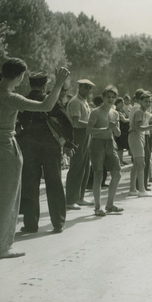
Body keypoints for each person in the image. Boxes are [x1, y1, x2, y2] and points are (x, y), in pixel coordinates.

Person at [0, 59, 69, 258]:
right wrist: (58, 83)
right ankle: (0, 247)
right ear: (20, 76)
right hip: (4, 146)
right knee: (8, 198)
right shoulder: (10, 97)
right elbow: (46, 106)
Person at [17, 72, 71, 234]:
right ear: (45, 84)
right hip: (50, 146)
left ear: (31, 83)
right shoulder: (51, 99)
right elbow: (66, 121)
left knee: (30, 184)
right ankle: (58, 223)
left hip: (28, 146)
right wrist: (68, 142)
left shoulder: (23, 100)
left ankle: (31, 224)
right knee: (54, 183)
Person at [87, 85, 124, 216]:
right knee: (98, 175)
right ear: (103, 97)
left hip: (110, 143)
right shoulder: (95, 112)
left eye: (113, 97)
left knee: (117, 174)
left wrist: (114, 128)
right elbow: (89, 130)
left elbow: (118, 134)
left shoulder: (115, 113)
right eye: (108, 97)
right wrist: (106, 129)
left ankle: (110, 205)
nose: (111, 99)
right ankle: (98, 207)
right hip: (97, 144)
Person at [65, 78, 95, 210]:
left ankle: (80, 197)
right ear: (79, 87)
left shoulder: (84, 102)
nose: (87, 90)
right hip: (77, 136)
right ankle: (70, 199)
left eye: (89, 88)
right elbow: (76, 122)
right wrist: (92, 124)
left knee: (85, 167)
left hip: (86, 135)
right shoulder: (75, 102)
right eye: (85, 87)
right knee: (76, 167)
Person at [128, 91, 152, 196]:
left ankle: (133, 189)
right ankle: (141, 190)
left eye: (150, 102)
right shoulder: (139, 112)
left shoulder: (144, 112)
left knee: (137, 164)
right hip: (135, 136)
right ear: (140, 101)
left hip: (139, 136)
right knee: (141, 163)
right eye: (146, 101)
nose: (148, 103)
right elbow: (138, 128)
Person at [114, 97, 130, 165]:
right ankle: (119, 161)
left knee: (122, 147)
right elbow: (124, 120)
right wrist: (131, 119)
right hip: (119, 131)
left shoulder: (121, 111)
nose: (123, 104)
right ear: (117, 104)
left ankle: (121, 160)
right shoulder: (117, 112)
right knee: (119, 147)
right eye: (121, 103)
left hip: (123, 132)